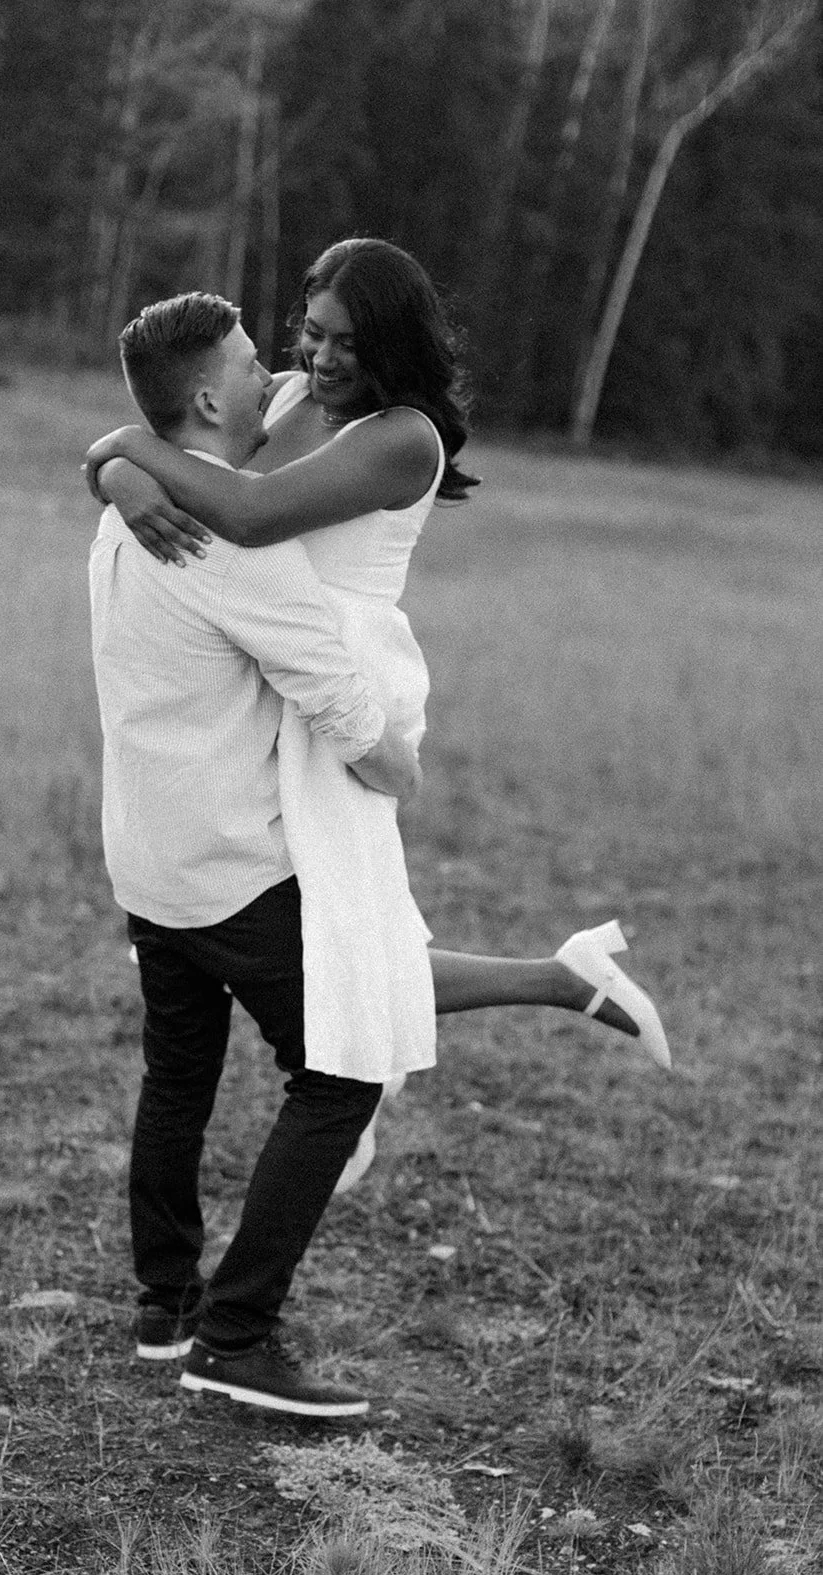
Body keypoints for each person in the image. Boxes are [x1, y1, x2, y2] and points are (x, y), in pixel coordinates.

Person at [85, 239, 672, 1189]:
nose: (318, 358)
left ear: (391, 342)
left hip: (339, 687)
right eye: (309, 333)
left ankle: (362, 1090)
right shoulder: (287, 394)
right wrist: (114, 464)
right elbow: (190, 421)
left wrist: (121, 452)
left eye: (345, 342)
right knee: (342, 936)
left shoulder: (403, 437)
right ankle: (551, 985)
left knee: (348, 937)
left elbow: (250, 510)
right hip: (272, 665)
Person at [90, 290, 424, 1418]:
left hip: (143, 857)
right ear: (203, 397)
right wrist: (397, 764)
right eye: (248, 363)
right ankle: (234, 1335)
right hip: (226, 866)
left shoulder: (131, 513)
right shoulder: (217, 542)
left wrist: (120, 462)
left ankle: (163, 1304)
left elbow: (147, 443)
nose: (274, 373)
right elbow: (332, 692)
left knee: (178, 1076)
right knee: (341, 1076)